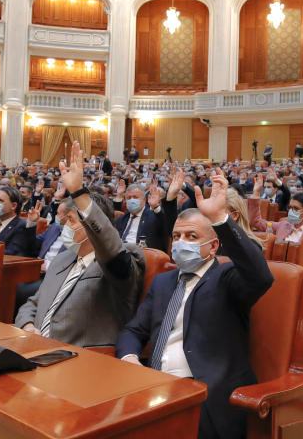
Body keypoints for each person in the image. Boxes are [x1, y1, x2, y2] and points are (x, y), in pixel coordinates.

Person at [116, 170, 273, 439]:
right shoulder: (163, 282)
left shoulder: (227, 277)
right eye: (176, 237)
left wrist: (220, 219)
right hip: (152, 385)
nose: (180, 243)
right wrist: (130, 357)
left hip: (204, 393)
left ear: (213, 247)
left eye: (191, 237)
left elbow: (260, 275)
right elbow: (134, 330)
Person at [17, 142, 145, 347]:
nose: (64, 226)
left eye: (72, 220)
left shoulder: (124, 258)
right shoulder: (63, 258)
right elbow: (33, 303)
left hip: (82, 359)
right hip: (36, 348)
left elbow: (110, 246)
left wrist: (78, 192)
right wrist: (28, 326)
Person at [115, 183, 166, 249]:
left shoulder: (153, 216)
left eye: (135, 197)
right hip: (121, 252)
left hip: (142, 254)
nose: (132, 200)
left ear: (144, 200)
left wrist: (156, 207)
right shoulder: (122, 218)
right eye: (128, 198)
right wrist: (119, 196)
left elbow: (164, 222)